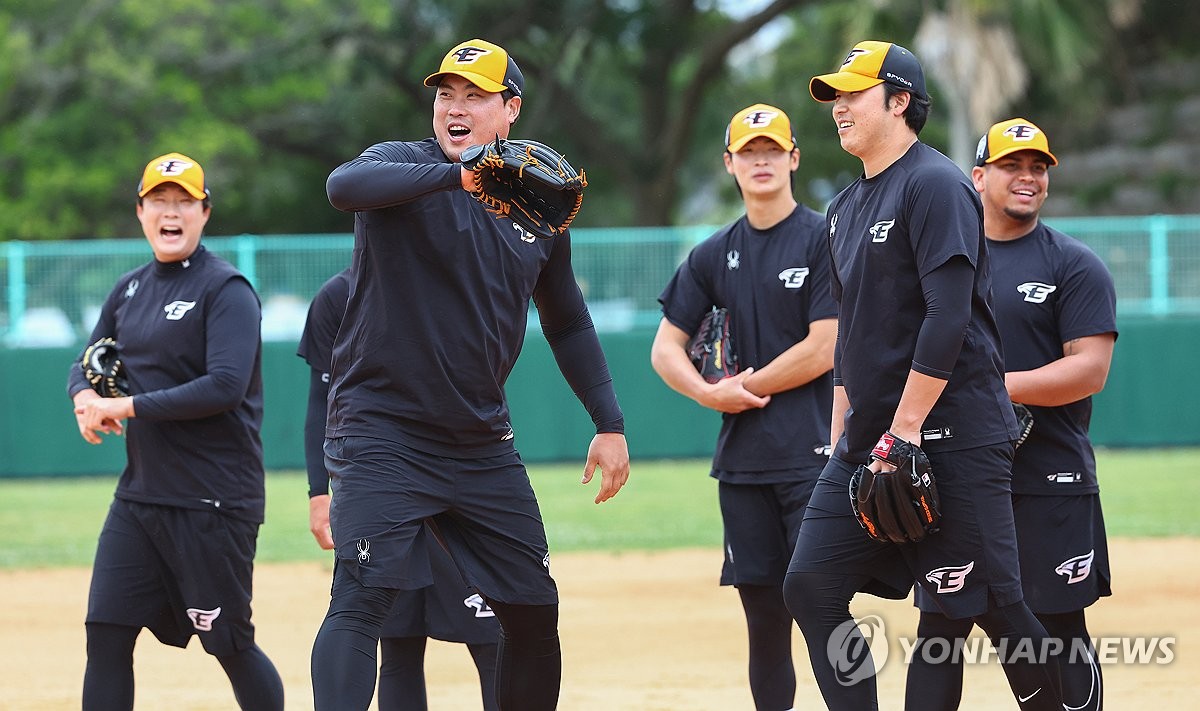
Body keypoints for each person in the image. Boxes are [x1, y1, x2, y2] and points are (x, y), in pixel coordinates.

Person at [310, 38, 631, 711]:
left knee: (535, 612)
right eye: (446, 94)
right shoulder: (403, 166)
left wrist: (608, 421)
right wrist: (460, 175)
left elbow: (567, 320)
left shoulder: (538, 206)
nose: (455, 107)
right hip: (383, 431)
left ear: (511, 109)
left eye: (475, 95)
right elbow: (344, 186)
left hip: (481, 442)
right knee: (362, 598)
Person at [781, 41, 1064, 710]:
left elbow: (949, 316)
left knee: (983, 605)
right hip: (871, 442)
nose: (839, 107)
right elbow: (853, 333)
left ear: (900, 100)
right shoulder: (845, 208)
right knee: (810, 584)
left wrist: (904, 432)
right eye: (834, 97)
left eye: (853, 93)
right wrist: (843, 439)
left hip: (955, 434)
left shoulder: (934, 183)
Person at [904, 118, 1117, 711]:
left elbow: (1089, 370)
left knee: (1059, 624)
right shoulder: (944, 265)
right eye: (1011, 166)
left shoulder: (1074, 265)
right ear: (977, 177)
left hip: (1049, 477)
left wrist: (990, 390)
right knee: (940, 631)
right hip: (957, 475)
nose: (1027, 177)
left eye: (1038, 167)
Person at [67, 153, 284, 710]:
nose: (171, 212)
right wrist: (87, 398)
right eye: (159, 201)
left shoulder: (226, 288)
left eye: (183, 201)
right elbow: (89, 359)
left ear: (204, 212)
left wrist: (129, 406)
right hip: (141, 496)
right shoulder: (129, 289)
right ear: (140, 212)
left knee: (229, 643)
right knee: (106, 631)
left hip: (212, 499)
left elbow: (225, 386)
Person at [650, 103, 836, 711]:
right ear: (729, 163)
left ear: (794, 158)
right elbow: (665, 348)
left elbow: (825, 346)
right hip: (743, 464)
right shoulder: (712, 254)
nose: (762, 161)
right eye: (749, 152)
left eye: (772, 150)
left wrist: (746, 387)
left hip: (812, 454)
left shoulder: (822, 239)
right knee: (762, 617)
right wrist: (707, 392)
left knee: (821, 605)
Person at [299, 267, 500, 710]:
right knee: (398, 639)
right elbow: (321, 400)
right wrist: (319, 493)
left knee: (493, 634)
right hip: (379, 485)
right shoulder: (339, 295)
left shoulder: (457, 277)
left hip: (455, 480)